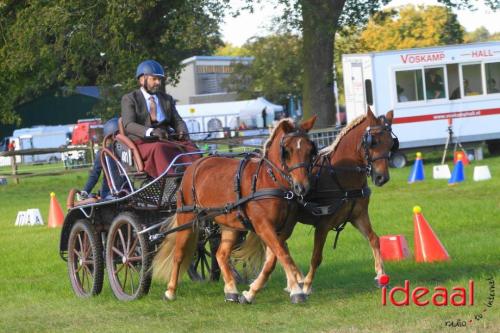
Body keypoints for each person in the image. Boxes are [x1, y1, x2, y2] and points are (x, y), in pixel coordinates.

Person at [121, 60, 199, 178]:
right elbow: (128, 124)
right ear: (142, 79)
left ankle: (196, 176)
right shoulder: (130, 99)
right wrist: (151, 132)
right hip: (143, 142)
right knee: (159, 148)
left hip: (166, 139)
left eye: (160, 79)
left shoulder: (166, 99)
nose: (158, 82)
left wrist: (182, 131)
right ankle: (170, 181)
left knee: (191, 146)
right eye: (154, 79)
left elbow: (177, 121)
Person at [80, 118, 124, 200]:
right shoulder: (103, 153)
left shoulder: (127, 150)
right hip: (110, 192)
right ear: (112, 135)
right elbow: (94, 175)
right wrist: (85, 191)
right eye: (121, 133)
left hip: (127, 189)